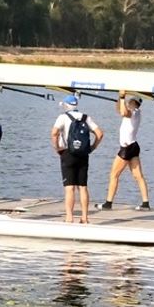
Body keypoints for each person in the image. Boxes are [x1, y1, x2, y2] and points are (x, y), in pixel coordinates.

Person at [51, 95, 103, 223]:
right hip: (83, 154)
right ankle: (85, 217)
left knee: (69, 187)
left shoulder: (62, 117)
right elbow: (100, 134)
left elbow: (54, 133)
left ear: (66, 106)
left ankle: (69, 217)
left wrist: (57, 148)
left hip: (68, 153)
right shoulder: (86, 117)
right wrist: (92, 147)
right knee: (83, 187)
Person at [103, 91, 150, 210]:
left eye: (131, 101)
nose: (129, 102)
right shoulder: (134, 112)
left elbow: (124, 112)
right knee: (138, 176)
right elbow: (119, 110)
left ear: (135, 103)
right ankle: (145, 203)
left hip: (127, 148)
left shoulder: (133, 112)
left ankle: (108, 203)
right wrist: (120, 98)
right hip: (133, 146)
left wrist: (123, 97)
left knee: (114, 174)